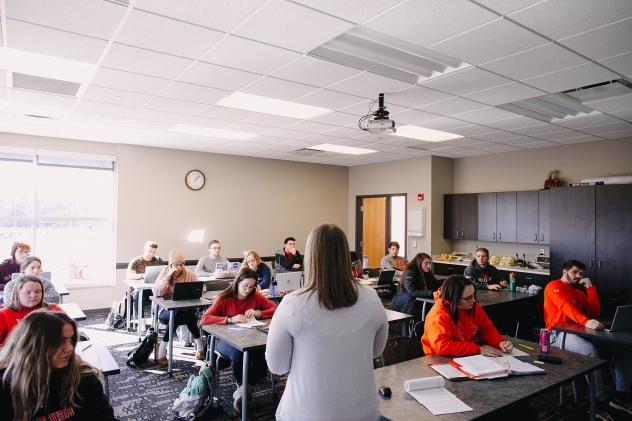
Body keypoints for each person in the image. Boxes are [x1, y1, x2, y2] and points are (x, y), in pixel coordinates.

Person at [266, 224, 389, 421]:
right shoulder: (371, 298)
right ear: (345, 256)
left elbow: (277, 366)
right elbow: (377, 351)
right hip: (362, 411)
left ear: (310, 257)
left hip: (306, 412)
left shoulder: (292, 304)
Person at [545, 260, 632, 416]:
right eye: (574, 272)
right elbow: (566, 307)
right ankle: (598, 401)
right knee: (590, 351)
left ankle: (621, 396)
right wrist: (585, 321)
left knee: (623, 349)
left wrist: (591, 289)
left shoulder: (578, 293)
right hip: (558, 334)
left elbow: (594, 311)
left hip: (581, 331)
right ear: (565, 272)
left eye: (581, 273)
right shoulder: (554, 286)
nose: (578, 276)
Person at [0, 310, 115, 420]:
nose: (69, 348)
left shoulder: (84, 378)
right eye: (60, 341)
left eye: (71, 340)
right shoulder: (5, 386)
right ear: (35, 346)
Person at [200, 268, 277, 412]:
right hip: (223, 341)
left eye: (251, 286)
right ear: (237, 282)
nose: (248, 290)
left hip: (248, 336)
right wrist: (229, 319)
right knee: (240, 352)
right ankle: (243, 386)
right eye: (245, 285)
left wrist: (259, 313)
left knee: (259, 349)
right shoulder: (224, 298)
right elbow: (204, 319)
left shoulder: (255, 296)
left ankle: (244, 389)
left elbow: (276, 309)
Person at [421, 275, 513, 356]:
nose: (473, 301)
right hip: (440, 359)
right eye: (468, 298)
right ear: (454, 299)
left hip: (466, 354)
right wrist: (477, 349)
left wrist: (499, 342)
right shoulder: (439, 314)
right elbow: (442, 347)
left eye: (474, 296)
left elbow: (487, 329)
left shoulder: (473, 307)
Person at [152, 250, 204, 364]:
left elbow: (200, 286)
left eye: (181, 265)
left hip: (184, 312)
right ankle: (199, 345)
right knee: (178, 313)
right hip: (165, 312)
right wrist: (168, 275)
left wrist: (202, 288)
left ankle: (162, 348)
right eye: (176, 265)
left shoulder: (188, 273)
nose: (179, 268)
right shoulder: (164, 273)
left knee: (185, 312)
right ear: (170, 264)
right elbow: (157, 292)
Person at [0, 275, 63, 346]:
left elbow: (66, 335)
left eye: (37, 292)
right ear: (17, 293)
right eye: (28, 292)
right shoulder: (4, 314)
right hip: (16, 355)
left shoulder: (54, 310)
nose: (33, 295)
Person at [392, 253, 442, 318]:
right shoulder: (409, 272)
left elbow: (436, 285)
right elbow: (412, 292)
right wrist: (432, 293)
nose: (429, 266)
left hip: (418, 300)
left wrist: (442, 289)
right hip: (407, 302)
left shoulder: (427, 272)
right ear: (419, 263)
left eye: (429, 263)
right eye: (426, 263)